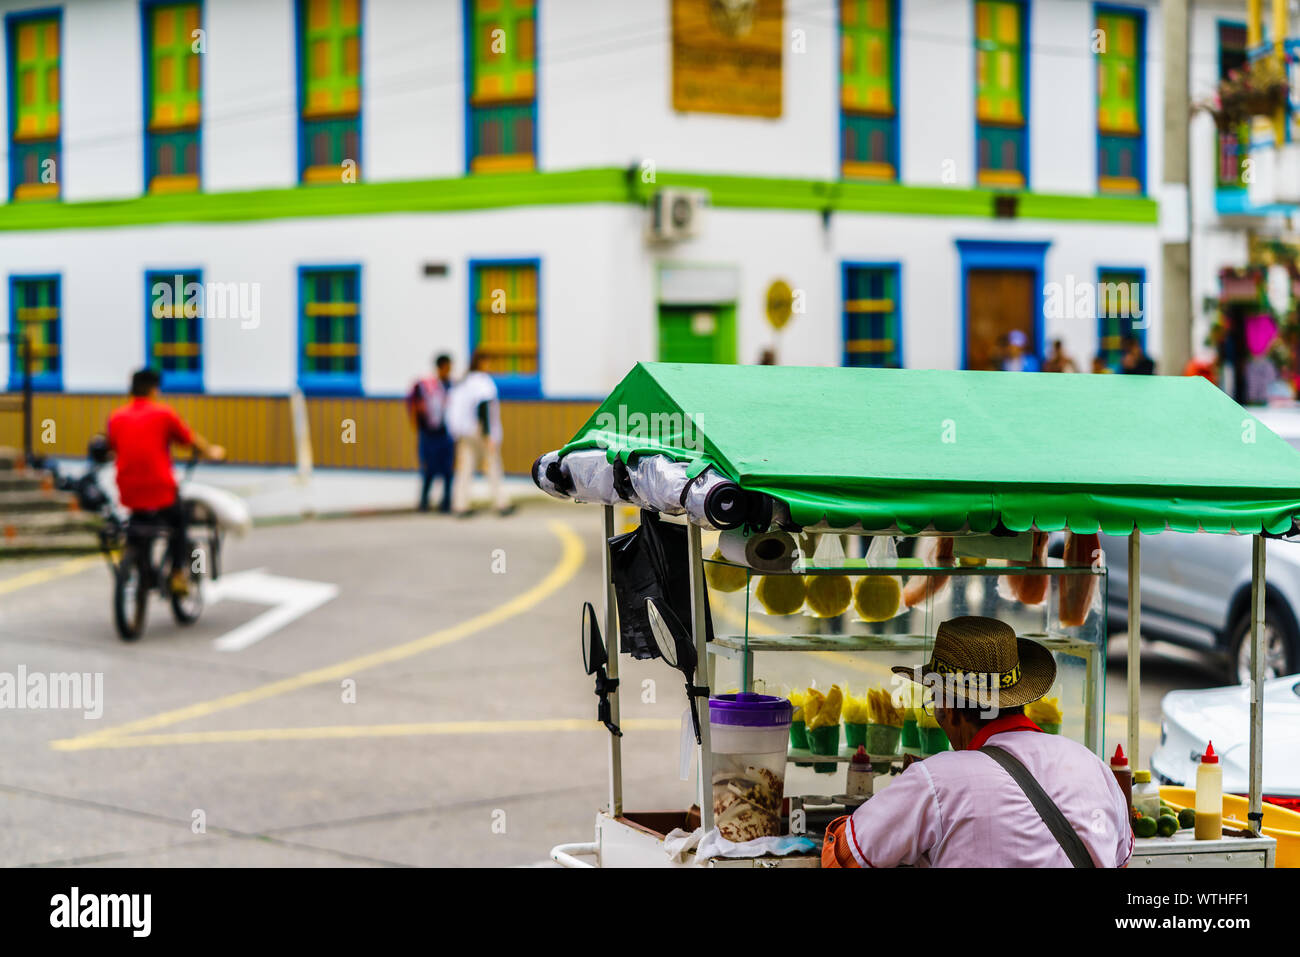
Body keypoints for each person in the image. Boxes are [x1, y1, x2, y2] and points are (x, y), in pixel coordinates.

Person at [821, 616, 1132, 867]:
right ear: (1017, 698)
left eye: (936, 709)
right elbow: (1121, 860)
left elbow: (844, 858)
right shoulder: (1093, 767)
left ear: (950, 711)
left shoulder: (937, 780)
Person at [106, 369, 226, 595]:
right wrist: (212, 451)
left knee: (138, 525)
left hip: (128, 491)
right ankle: (179, 573)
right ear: (154, 389)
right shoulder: (163, 414)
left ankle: (140, 566)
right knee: (178, 521)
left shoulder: (116, 417)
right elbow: (189, 439)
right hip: (161, 489)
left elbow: (113, 447)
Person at [446, 351, 512, 517]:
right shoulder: (483, 382)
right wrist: (488, 434)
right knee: (493, 465)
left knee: (465, 468)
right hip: (481, 429)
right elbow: (483, 406)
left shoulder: (464, 381)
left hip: (465, 431)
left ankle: (460, 504)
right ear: (482, 363)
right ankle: (501, 502)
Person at [406, 353, 455, 513]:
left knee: (448, 469)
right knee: (429, 468)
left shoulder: (452, 386)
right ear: (440, 367)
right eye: (446, 367)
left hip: (446, 432)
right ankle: (424, 502)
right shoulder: (427, 387)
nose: (448, 371)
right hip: (429, 433)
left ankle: (446, 502)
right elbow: (415, 408)